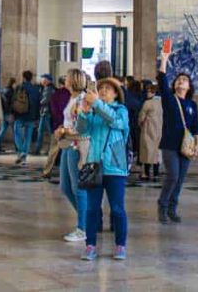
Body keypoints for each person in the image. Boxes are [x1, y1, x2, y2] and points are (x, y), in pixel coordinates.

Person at [77, 77, 130, 261]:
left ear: (116, 93)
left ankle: (120, 245)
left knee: (117, 208)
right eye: (102, 88)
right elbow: (82, 131)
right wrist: (83, 113)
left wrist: (97, 104)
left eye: (108, 88)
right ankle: (90, 245)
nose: (104, 91)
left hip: (115, 167)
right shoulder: (95, 110)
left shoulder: (121, 110)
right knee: (92, 209)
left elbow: (116, 122)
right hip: (94, 165)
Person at [157, 49, 198, 224]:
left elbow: (195, 126)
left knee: (180, 179)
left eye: (185, 80)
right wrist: (164, 60)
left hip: (186, 145)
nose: (181, 81)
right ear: (175, 85)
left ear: (189, 86)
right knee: (173, 175)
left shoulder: (192, 104)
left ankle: (172, 208)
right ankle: (162, 205)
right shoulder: (169, 99)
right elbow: (161, 81)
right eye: (179, 80)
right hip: (169, 144)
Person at [55, 68, 89, 242]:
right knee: (65, 187)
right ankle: (88, 220)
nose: (64, 79)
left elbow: (82, 126)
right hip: (67, 143)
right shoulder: (72, 97)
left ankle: (83, 228)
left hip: (76, 145)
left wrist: (64, 130)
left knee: (78, 187)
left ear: (74, 80)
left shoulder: (83, 99)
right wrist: (61, 128)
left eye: (67, 77)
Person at [43, 75, 70, 178]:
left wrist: (58, 123)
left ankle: (46, 170)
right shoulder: (72, 95)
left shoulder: (55, 95)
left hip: (57, 126)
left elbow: (53, 111)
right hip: (69, 126)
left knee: (53, 149)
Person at [13, 70, 42, 166]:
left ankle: (21, 151)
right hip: (32, 116)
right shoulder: (35, 89)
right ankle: (24, 156)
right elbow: (39, 104)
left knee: (17, 133)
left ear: (23, 77)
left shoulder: (19, 87)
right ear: (31, 78)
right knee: (28, 136)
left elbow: (14, 101)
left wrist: (12, 113)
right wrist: (37, 117)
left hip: (20, 114)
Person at [139, 80, 162, 181]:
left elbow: (141, 118)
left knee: (147, 152)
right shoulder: (162, 102)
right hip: (160, 130)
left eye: (148, 91)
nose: (147, 93)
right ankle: (156, 174)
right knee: (156, 153)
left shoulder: (147, 103)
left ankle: (146, 173)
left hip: (148, 130)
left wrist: (140, 123)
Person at [35, 73, 55, 155]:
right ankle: (38, 148)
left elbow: (45, 100)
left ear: (47, 80)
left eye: (43, 78)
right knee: (41, 131)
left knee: (50, 132)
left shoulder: (48, 89)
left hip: (46, 112)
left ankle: (52, 149)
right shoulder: (46, 88)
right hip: (45, 112)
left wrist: (39, 101)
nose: (41, 80)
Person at [0, 77, 16, 153]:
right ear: (13, 83)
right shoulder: (11, 91)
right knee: (15, 131)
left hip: (4, 113)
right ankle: (18, 147)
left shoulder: (3, 90)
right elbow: (12, 103)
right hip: (10, 113)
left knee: (3, 130)